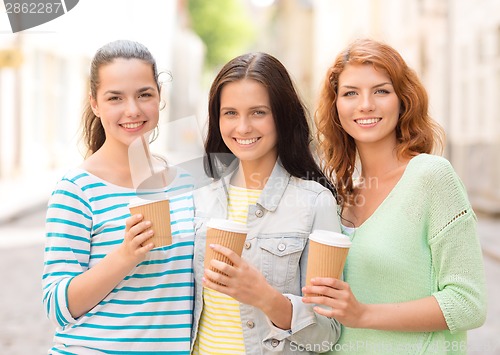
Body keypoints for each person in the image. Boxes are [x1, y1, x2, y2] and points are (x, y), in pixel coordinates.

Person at [305, 38, 487, 354]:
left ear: (403, 100)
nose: (365, 105)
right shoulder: (340, 194)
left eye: (381, 91)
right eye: (350, 93)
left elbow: (468, 302)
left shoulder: (431, 176)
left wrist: (363, 314)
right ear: (336, 106)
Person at [42, 40, 195, 354]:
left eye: (144, 94)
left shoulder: (185, 186)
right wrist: (125, 256)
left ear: (159, 97)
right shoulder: (76, 189)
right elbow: (57, 306)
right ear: (95, 104)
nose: (133, 110)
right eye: (115, 98)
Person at [191, 52, 341, 354]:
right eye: (230, 113)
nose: (243, 127)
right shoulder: (199, 198)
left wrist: (264, 297)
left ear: (282, 116)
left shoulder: (315, 202)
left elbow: (328, 336)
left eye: (258, 112)